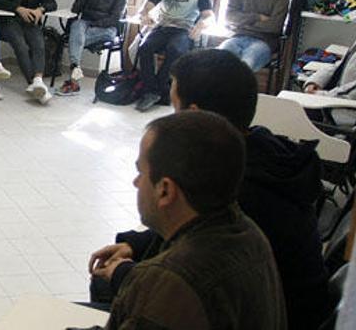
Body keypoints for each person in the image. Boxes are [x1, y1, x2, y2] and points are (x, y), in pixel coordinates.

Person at [90, 49, 331, 329]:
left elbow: (180, 284)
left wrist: (125, 273)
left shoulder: (247, 194)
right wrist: (137, 243)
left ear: (195, 117)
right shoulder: (261, 157)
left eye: (173, 108)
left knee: (104, 284)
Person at [98, 111, 287, 329]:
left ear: (165, 191)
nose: (136, 182)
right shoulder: (248, 233)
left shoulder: (171, 281)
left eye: (141, 172)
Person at [133, 0, 213, 111]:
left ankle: (155, 90)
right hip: (163, 27)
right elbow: (146, 7)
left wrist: (201, 25)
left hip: (183, 30)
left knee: (175, 49)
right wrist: (145, 15)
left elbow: (209, 16)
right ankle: (155, 91)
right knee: (144, 47)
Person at [55, 0, 127, 96]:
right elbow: (76, 8)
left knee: (76, 38)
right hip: (87, 23)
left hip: (108, 28)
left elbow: (115, 18)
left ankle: (73, 81)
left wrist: (96, 24)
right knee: (76, 26)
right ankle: (76, 67)